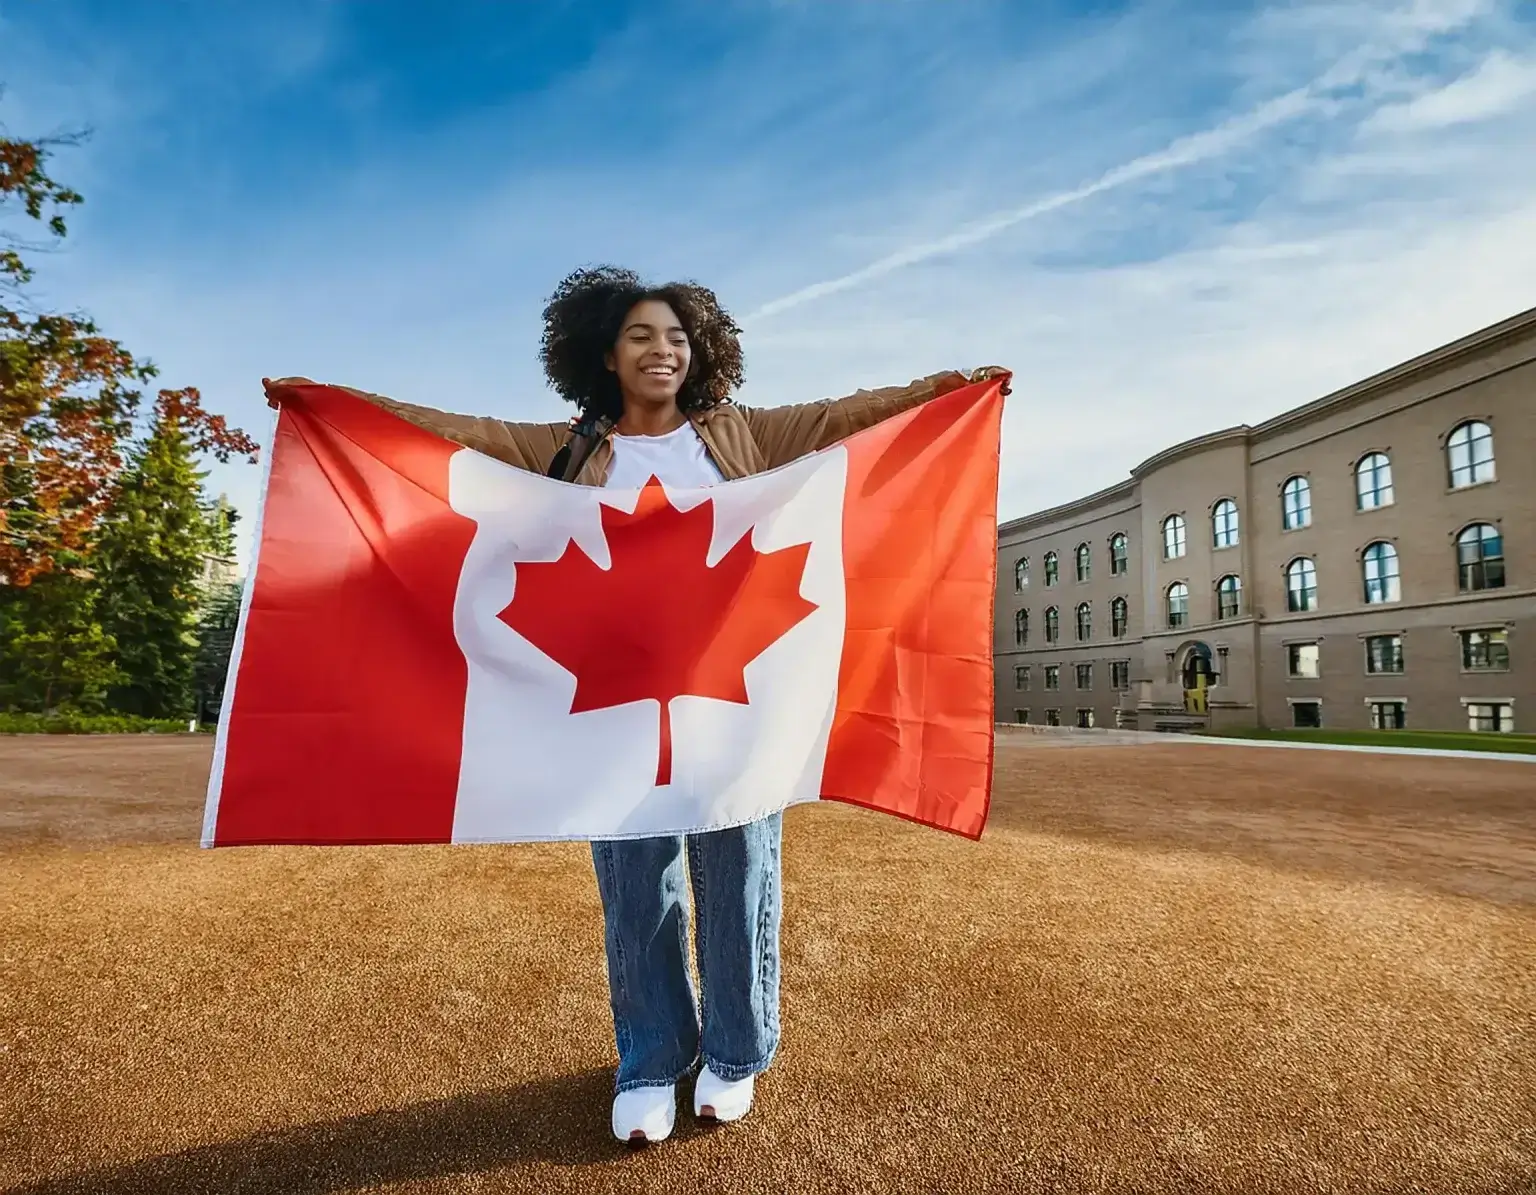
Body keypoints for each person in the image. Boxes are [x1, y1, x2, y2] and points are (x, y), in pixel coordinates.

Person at [263, 265, 1009, 1145]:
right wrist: (332, 402)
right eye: (641, 337)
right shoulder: (567, 448)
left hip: (737, 695)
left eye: (678, 337)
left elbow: (857, 417)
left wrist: (952, 389)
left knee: (737, 870)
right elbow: (447, 436)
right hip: (608, 704)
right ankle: (651, 1057)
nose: (663, 351)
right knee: (636, 883)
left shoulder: (745, 435)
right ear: (605, 355)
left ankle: (736, 1049)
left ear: (702, 353)